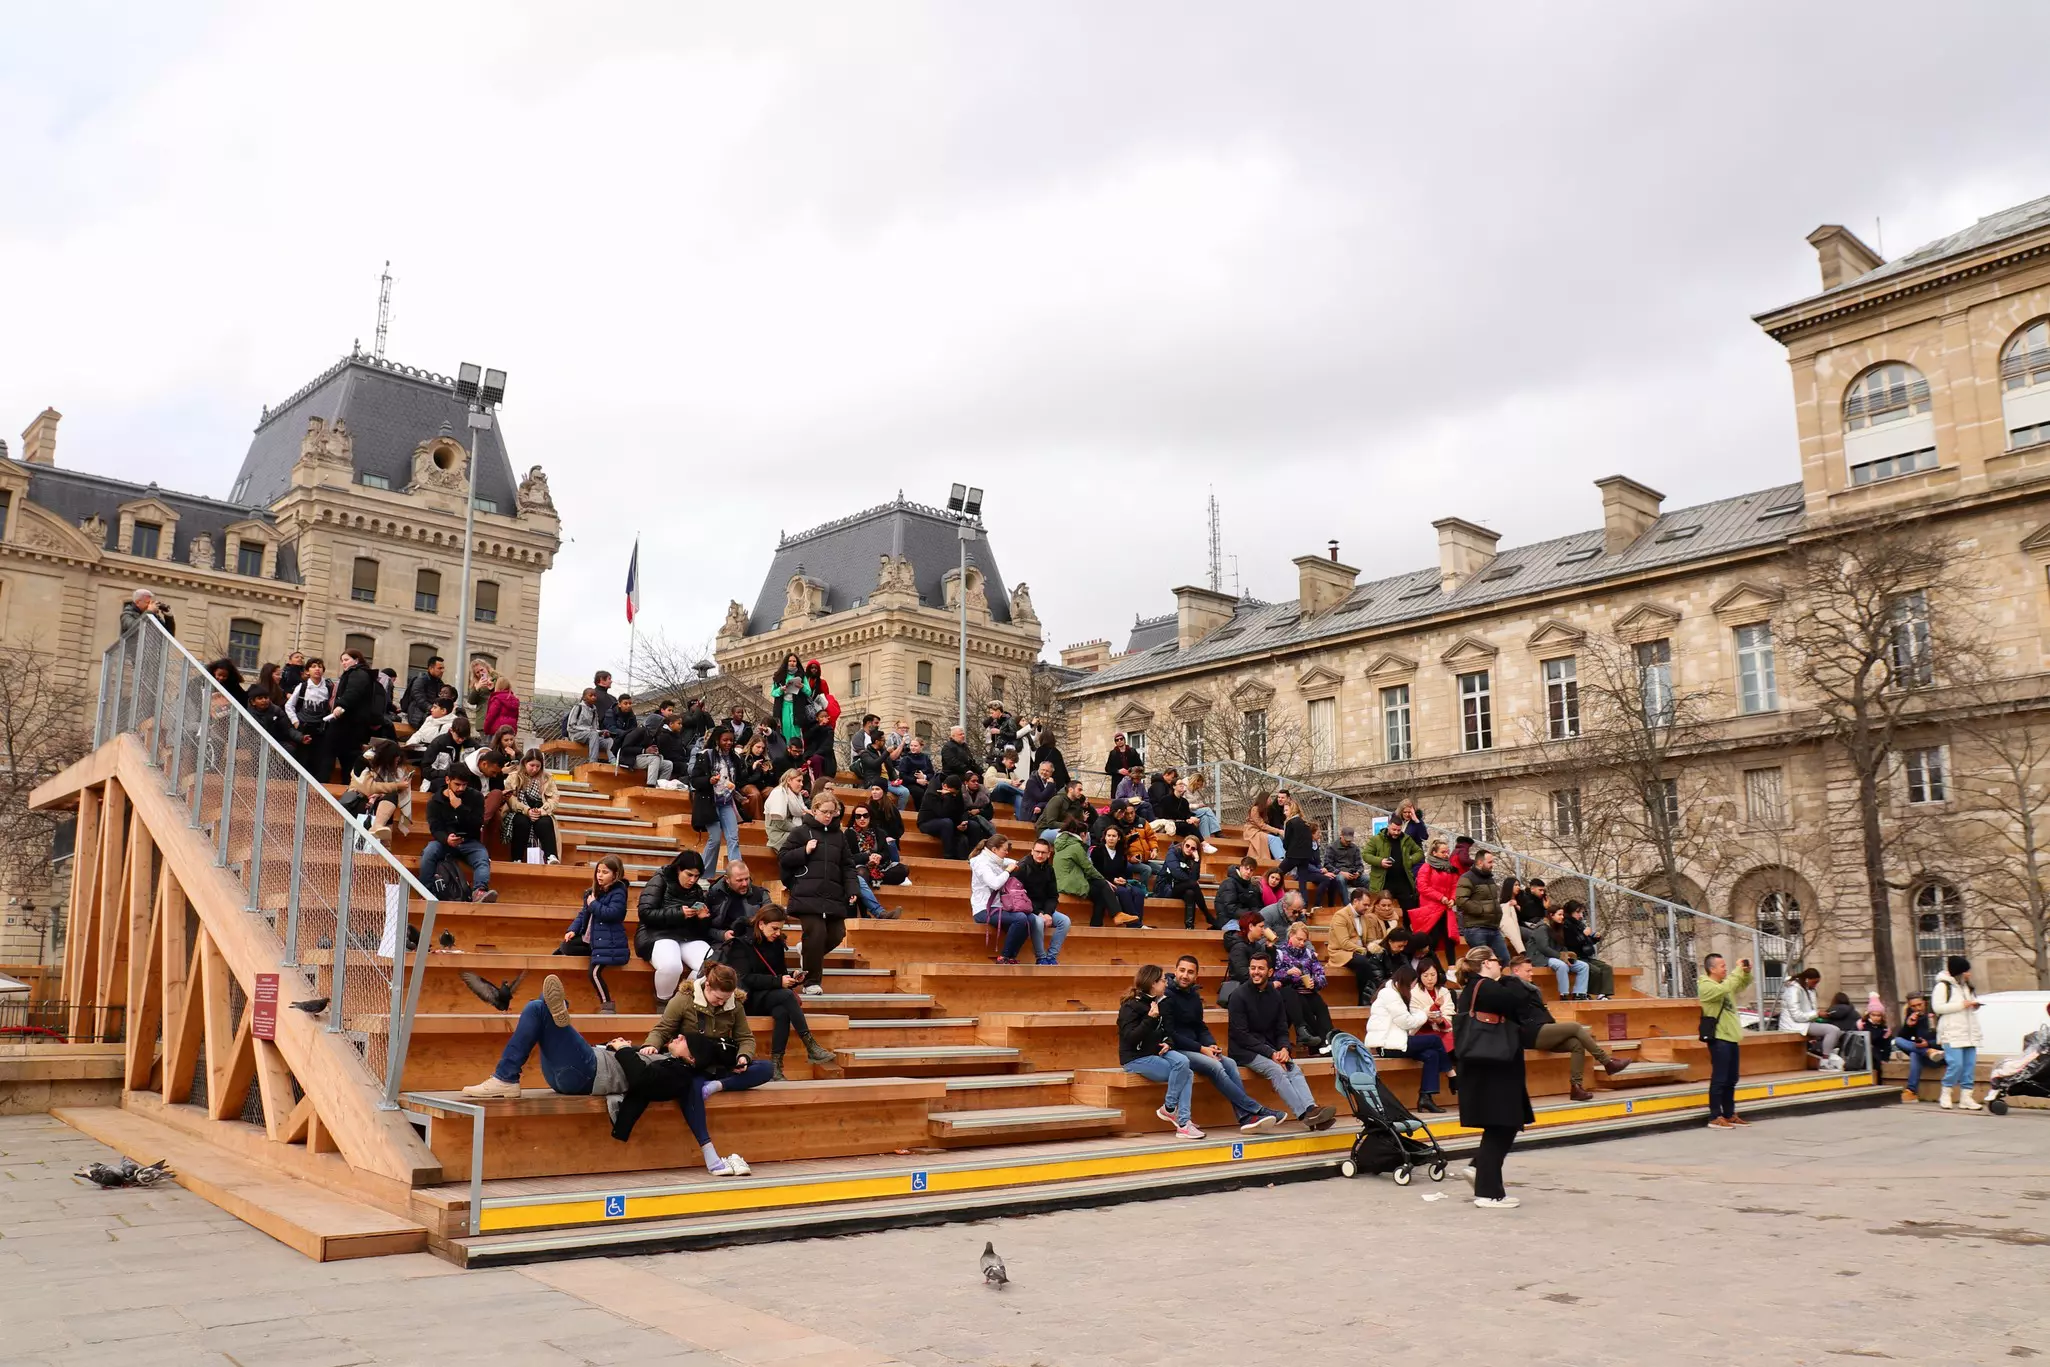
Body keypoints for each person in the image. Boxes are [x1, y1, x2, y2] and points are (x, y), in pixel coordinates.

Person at [634, 962, 774, 1176]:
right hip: (693, 1065)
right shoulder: (683, 1000)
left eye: (725, 999)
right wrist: (650, 1045)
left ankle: (717, 1086)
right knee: (690, 1091)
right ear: (707, 985)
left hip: (721, 1063)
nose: (722, 1002)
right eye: (718, 998)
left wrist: (743, 1057)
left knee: (766, 1069)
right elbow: (663, 1028)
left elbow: (745, 1038)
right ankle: (709, 1153)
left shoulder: (734, 1004)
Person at [1158, 956, 1287, 1131]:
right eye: (1182, 971)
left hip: (1197, 1048)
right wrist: (1202, 1049)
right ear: (1175, 971)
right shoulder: (1166, 997)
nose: (1185, 976)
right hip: (1177, 1050)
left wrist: (1210, 1044)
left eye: (1190, 972)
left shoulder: (1194, 997)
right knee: (1216, 1066)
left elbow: (1200, 1026)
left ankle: (1246, 1117)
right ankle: (1255, 1109)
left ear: (1196, 975)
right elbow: (1171, 1033)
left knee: (1230, 1063)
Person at [1454, 946, 1533, 1207]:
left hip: (1488, 1065)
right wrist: (1511, 979)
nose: (1501, 965)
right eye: (1498, 961)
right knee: (1502, 1123)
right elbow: (1521, 1002)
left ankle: (1483, 1175)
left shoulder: (1478, 988)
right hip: (1491, 1066)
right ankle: (1488, 1192)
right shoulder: (1486, 987)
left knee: (1501, 1124)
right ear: (1487, 964)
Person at [1226, 954, 1337, 1130]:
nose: (1256, 972)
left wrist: (1284, 1048)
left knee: (1294, 1068)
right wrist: (1271, 1054)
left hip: (1271, 1048)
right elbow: (1241, 1035)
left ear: (1270, 972)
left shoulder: (1276, 995)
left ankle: (1311, 1108)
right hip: (1244, 1051)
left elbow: (1282, 1028)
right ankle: (1305, 1115)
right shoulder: (1238, 996)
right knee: (1276, 1070)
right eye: (1253, 968)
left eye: (1260, 968)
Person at [730, 904, 837, 1079]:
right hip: (747, 997)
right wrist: (778, 981)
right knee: (786, 997)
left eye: (780, 929)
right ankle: (810, 1046)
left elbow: (778, 974)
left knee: (783, 1011)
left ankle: (776, 1068)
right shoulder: (741, 943)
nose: (777, 933)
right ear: (761, 924)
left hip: (771, 995)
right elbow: (745, 978)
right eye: (774, 928)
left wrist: (792, 978)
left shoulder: (777, 943)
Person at [1503, 953, 1629, 1101]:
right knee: (1574, 1027)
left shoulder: (1527, 987)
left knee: (1576, 1044)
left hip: (1542, 1029)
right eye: (1528, 971)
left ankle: (1576, 1088)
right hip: (1530, 1033)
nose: (1532, 973)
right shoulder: (1511, 985)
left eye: (1531, 970)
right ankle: (1607, 1062)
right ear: (1516, 971)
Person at [779, 789, 860, 992]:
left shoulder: (839, 837)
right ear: (814, 810)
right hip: (806, 895)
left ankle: (806, 952)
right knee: (816, 933)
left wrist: (852, 888)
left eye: (832, 812)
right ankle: (811, 983)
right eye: (825, 811)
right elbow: (784, 858)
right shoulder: (800, 832)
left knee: (837, 934)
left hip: (832, 895)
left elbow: (848, 866)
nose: (828, 816)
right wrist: (804, 851)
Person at [1119, 966, 1205, 1139]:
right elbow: (1129, 1039)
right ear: (1152, 983)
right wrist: (1150, 1019)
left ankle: (1174, 1113)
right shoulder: (1131, 1006)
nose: (1167, 983)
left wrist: (1167, 1043)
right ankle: (1178, 1117)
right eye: (1163, 980)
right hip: (1135, 1058)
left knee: (1184, 1066)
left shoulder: (1160, 1002)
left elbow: (1167, 1031)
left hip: (1155, 1052)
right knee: (1185, 1072)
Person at [1367, 964, 1451, 1113]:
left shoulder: (1395, 994)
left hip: (1397, 1042)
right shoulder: (1390, 994)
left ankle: (1426, 1097)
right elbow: (1406, 1022)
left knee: (1432, 1055)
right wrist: (1425, 1015)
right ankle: (1451, 1074)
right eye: (1413, 984)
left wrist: (1424, 1014)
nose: (1413, 988)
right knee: (1435, 1040)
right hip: (1387, 1045)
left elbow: (1409, 1020)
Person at [566, 855, 629, 1013]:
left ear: (615, 875)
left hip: (610, 942)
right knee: (566, 946)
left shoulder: (619, 892)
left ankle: (607, 1005)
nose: (600, 875)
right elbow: (583, 914)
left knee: (593, 972)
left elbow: (613, 914)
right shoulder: (592, 892)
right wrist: (572, 930)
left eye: (605, 872)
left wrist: (594, 904)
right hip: (594, 939)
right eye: (598, 871)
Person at [420, 768, 495, 902]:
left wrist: (460, 808)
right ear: (447, 780)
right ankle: (426, 892)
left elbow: (478, 823)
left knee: (482, 858)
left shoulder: (476, 797)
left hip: (469, 841)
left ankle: (479, 891)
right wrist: (446, 839)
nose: (461, 788)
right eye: (457, 784)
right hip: (445, 842)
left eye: (464, 785)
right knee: (429, 852)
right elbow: (435, 828)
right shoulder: (435, 801)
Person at [1698, 953, 1754, 1129]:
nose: (1726, 968)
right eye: (1722, 966)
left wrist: (1745, 973)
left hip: (1731, 1036)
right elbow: (1727, 987)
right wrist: (1738, 971)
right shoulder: (1706, 986)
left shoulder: (1724, 983)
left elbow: (1740, 984)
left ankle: (1729, 1114)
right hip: (1719, 1037)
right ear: (1712, 969)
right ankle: (1715, 1116)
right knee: (1720, 1078)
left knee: (1732, 1078)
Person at [1055, 813, 1130, 927]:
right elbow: (1088, 868)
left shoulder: (1065, 844)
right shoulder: (1075, 847)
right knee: (1102, 884)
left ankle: (1096, 925)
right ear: (1083, 834)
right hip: (1070, 883)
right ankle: (1117, 914)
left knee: (1100, 895)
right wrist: (1105, 880)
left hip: (1067, 880)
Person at [1930, 956, 1984, 1111]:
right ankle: (1946, 1092)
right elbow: (1938, 1008)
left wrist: (1974, 1005)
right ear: (1958, 972)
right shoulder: (1942, 986)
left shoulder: (1967, 986)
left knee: (1969, 1066)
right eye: (1966, 971)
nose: (1969, 974)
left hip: (1969, 1031)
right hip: (1952, 1032)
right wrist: (1961, 1005)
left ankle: (1966, 1097)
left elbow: (1969, 1003)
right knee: (1956, 1064)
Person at [1275, 920, 1333, 1054]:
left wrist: (1315, 982)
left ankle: (1329, 1040)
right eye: (1299, 939)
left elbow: (1321, 975)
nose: (1301, 943)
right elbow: (1274, 974)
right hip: (1292, 992)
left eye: (1304, 940)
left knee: (1321, 1006)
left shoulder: (1309, 953)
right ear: (1291, 935)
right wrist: (1288, 973)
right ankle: (1315, 1044)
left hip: (1309, 991)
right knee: (1303, 1005)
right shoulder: (1280, 952)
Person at [690, 727, 744, 872]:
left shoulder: (735, 758)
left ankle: (736, 872)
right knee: (714, 839)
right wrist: (709, 780)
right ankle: (703, 873)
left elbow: (739, 779)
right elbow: (694, 780)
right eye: (725, 740)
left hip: (726, 802)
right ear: (717, 740)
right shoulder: (705, 755)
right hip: (709, 803)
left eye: (731, 740)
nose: (728, 743)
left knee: (733, 839)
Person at [1327, 888, 1390, 1005]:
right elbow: (1344, 943)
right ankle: (1363, 998)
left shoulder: (1365, 917)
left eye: (1368, 905)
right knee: (1363, 963)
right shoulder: (1340, 916)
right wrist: (1364, 950)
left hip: (1360, 951)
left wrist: (1375, 946)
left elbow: (1370, 940)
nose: (1367, 907)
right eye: (1365, 904)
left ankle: (1383, 993)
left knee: (1382, 957)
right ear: (1355, 901)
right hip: (1341, 952)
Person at [1013, 838, 1072, 962]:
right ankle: (1041, 957)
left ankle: (1051, 956)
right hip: (1026, 909)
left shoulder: (1049, 870)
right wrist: (1038, 912)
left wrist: (1047, 913)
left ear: (1049, 854)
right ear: (1032, 851)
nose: (1040, 855)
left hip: (1044, 909)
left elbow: (1053, 896)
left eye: (1043, 853)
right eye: (1037, 851)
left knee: (1065, 921)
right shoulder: (1022, 868)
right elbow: (1019, 896)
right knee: (1039, 922)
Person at [347, 739, 413, 848]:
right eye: (396, 761)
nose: (397, 763)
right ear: (388, 758)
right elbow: (368, 788)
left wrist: (381, 794)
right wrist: (396, 786)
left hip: (379, 804)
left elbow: (380, 789)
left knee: (390, 797)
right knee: (388, 797)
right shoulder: (363, 761)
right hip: (359, 800)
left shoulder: (388, 767)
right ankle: (377, 833)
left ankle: (379, 830)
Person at [498, 749, 561, 863]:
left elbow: (554, 799)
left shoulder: (547, 778)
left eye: (538, 766)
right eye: (532, 765)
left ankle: (551, 856)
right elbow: (511, 799)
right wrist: (526, 811)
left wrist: (540, 811)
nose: (535, 769)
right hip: (518, 811)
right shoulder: (514, 777)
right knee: (521, 822)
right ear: (525, 763)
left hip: (540, 811)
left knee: (546, 822)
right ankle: (517, 858)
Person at [1277, 795, 1339, 907]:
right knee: (1302, 883)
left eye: (1286, 810)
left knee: (1277, 872)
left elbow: (1286, 842)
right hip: (1305, 857)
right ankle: (1304, 904)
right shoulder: (1305, 824)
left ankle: (1276, 894)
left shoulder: (1290, 823)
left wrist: (1289, 850)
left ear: (1292, 810)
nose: (1284, 813)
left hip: (1293, 855)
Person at [1778, 967, 1845, 1070]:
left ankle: (1828, 1055)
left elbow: (1808, 1011)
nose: (1815, 985)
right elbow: (1797, 1016)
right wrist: (1817, 1014)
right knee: (1833, 1030)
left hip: (1803, 1023)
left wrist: (1818, 1016)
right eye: (1814, 982)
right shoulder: (1794, 990)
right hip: (1793, 1024)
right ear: (1807, 979)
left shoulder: (1808, 990)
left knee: (1837, 1031)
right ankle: (1825, 1061)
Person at [1525, 905, 1590, 1000]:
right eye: (1559, 914)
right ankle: (1564, 994)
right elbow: (1544, 948)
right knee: (1561, 965)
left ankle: (1579, 993)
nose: (1562, 917)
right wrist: (1561, 956)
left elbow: (1561, 946)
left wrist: (1567, 955)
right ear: (1551, 915)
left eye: (1562, 914)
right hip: (1541, 957)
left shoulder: (1558, 927)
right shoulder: (1542, 928)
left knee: (1583, 966)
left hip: (1555, 957)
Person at [1410, 838, 1461, 960]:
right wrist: (1441, 897)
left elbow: (1455, 886)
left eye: (1447, 851)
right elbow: (1422, 887)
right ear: (1434, 853)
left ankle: (1452, 968)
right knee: (1433, 938)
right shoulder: (1426, 867)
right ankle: (1428, 964)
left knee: (1450, 938)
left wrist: (1453, 899)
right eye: (1443, 852)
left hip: (1445, 908)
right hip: (1430, 909)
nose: (1446, 854)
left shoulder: (1450, 869)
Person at [1093, 824, 1153, 928]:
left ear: (1119, 838)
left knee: (1139, 893)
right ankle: (1136, 925)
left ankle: (1137, 921)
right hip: (1104, 882)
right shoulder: (1097, 851)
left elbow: (1122, 871)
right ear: (1105, 837)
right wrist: (1113, 879)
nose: (1111, 838)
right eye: (1109, 835)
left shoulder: (1121, 853)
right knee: (1123, 892)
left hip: (1119, 882)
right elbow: (1096, 871)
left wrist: (1122, 879)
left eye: (1114, 836)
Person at [1889, 995, 1945, 1102]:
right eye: (1914, 1006)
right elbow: (1903, 1038)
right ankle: (1928, 1052)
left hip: (1940, 1055)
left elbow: (1945, 1041)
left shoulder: (1936, 1015)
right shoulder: (1912, 1017)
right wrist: (1908, 1025)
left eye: (1920, 1005)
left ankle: (1911, 1091)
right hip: (1925, 1054)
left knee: (1915, 1054)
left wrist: (1928, 1044)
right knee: (1898, 1041)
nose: (1917, 1008)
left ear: (1925, 1003)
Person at [1561, 901, 1612, 999]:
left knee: (1606, 968)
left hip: (1585, 956)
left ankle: (1603, 994)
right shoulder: (1566, 925)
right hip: (1575, 956)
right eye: (1578, 912)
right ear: (1570, 912)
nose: (1580, 915)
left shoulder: (1580, 924)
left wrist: (1595, 938)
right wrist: (1584, 935)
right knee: (1595, 970)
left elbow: (1586, 942)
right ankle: (1586, 993)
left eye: (1581, 913)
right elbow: (1571, 944)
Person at [1162, 834, 1209, 929]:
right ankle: (1208, 915)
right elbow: (1176, 873)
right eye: (1187, 846)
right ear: (1183, 844)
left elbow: (1195, 878)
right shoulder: (1173, 852)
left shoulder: (1192, 858)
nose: (1189, 849)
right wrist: (1192, 882)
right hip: (1167, 887)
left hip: (1182, 888)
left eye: (1192, 848)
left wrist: (1196, 860)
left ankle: (1189, 926)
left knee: (1190, 893)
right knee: (1193, 885)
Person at [1212, 856, 1263, 932]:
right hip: (1227, 920)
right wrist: (1251, 916)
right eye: (1246, 868)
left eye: (1251, 870)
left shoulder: (1252, 886)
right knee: (1243, 934)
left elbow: (1255, 906)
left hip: (1245, 920)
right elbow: (1230, 908)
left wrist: (1257, 916)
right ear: (1241, 867)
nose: (1248, 872)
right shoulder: (1229, 883)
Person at [566, 687, 613, 763]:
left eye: (595, 696)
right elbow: (570, 727)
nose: (593, 697)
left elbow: (595, 728)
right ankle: (593, 762)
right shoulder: (578, 707)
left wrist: (601, 732)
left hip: (590, 736)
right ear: (584, 697)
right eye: (591, 695)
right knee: (593, 734)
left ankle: (613, 761)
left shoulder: (594, 710)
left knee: (609, 741)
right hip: (576, 735)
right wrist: (590, 730)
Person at [1323, 827, 1369, 901]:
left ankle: (1364, 902)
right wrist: (1341, 873)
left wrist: (1358, 873)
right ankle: (1346, 905)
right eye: (1346, 840)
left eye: (1350, 841)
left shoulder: (1355, 848)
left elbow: (1360, 865)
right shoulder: (1332, 848)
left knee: (1367, 879)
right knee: (1340, 879)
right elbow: (1327, 864)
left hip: (1353, 875)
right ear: (1341, 836)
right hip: (1339, 874)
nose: (1348, 842)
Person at [1242, 792, 1285, 864]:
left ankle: (1284, 858)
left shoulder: (1266, 810)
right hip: (1252, 831)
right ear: (1264, 799)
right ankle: (1281, 860)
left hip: (1260, 831)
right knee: (1273, 839)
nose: (1271, 800)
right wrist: (1278, 831)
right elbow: (1261, 825)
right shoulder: (1255, 809)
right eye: (1269, 798)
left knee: (1278, 838)